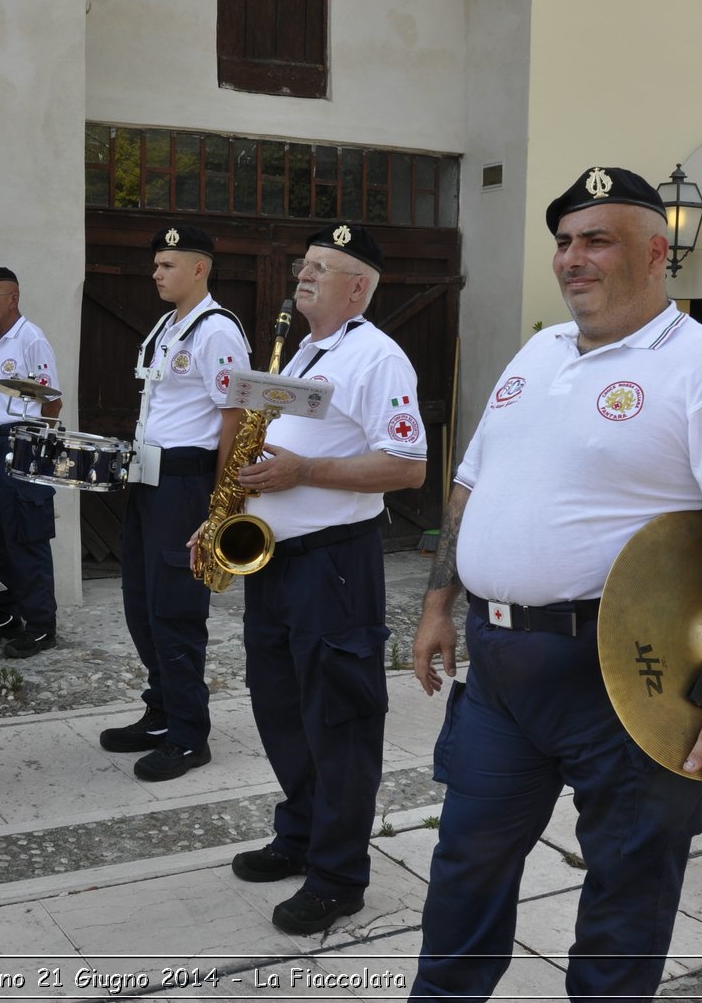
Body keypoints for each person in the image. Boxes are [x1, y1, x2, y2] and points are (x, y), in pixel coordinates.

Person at [408, 167, 702, 1001]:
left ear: (659, 253)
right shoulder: (536, 351)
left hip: (627, 680)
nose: (571, 258)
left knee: (628, 885)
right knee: (464, 864)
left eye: (596, 240)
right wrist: (440, 604)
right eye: (564, 242)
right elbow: (471, 483)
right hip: (500, 668)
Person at [209, 224, 426, 934]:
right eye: (305, 264)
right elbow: (265, 449)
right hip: (272, 557)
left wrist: (306, 472)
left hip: (334, 564)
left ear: (358, 286)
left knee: (340, 721)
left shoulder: (377, 357)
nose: (304, 274)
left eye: (322, 268)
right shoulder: (300, 351)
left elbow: (407, 465)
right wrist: (220, 516)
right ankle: (300, 833)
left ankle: (338, 875)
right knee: (281, 708)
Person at [101, 224, 249, 782]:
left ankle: (189, 736)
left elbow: (234, 416)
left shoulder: (218, 332)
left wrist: (221, 503)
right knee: (141, 601)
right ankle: (161, 711)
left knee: (176, 611)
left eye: (167, 265)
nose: (156, 273)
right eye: (156, 264)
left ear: (199, 269)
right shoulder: (169, 326)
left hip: (186, 484)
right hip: (149, 481)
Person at [0, 266, 62, 659]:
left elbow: (51, 400)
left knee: (25, 534)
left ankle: (41, 626)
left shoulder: (31, 339)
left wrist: (38, 447)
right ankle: (6, 613)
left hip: (19, 441)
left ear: (13, 298)